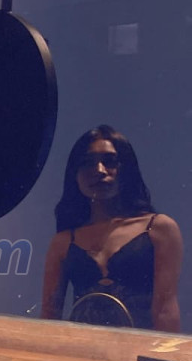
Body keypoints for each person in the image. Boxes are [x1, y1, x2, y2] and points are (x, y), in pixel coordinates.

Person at [40, 125, 182, 331]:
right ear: (75, 174)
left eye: (110, 161)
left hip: (140, 349)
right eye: (87, 163)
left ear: (126, 169)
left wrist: (166, 352)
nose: (99, 170)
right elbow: (49, 314)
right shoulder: (63, 242)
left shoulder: (158, 229)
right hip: (80, 348)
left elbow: (165, 311)